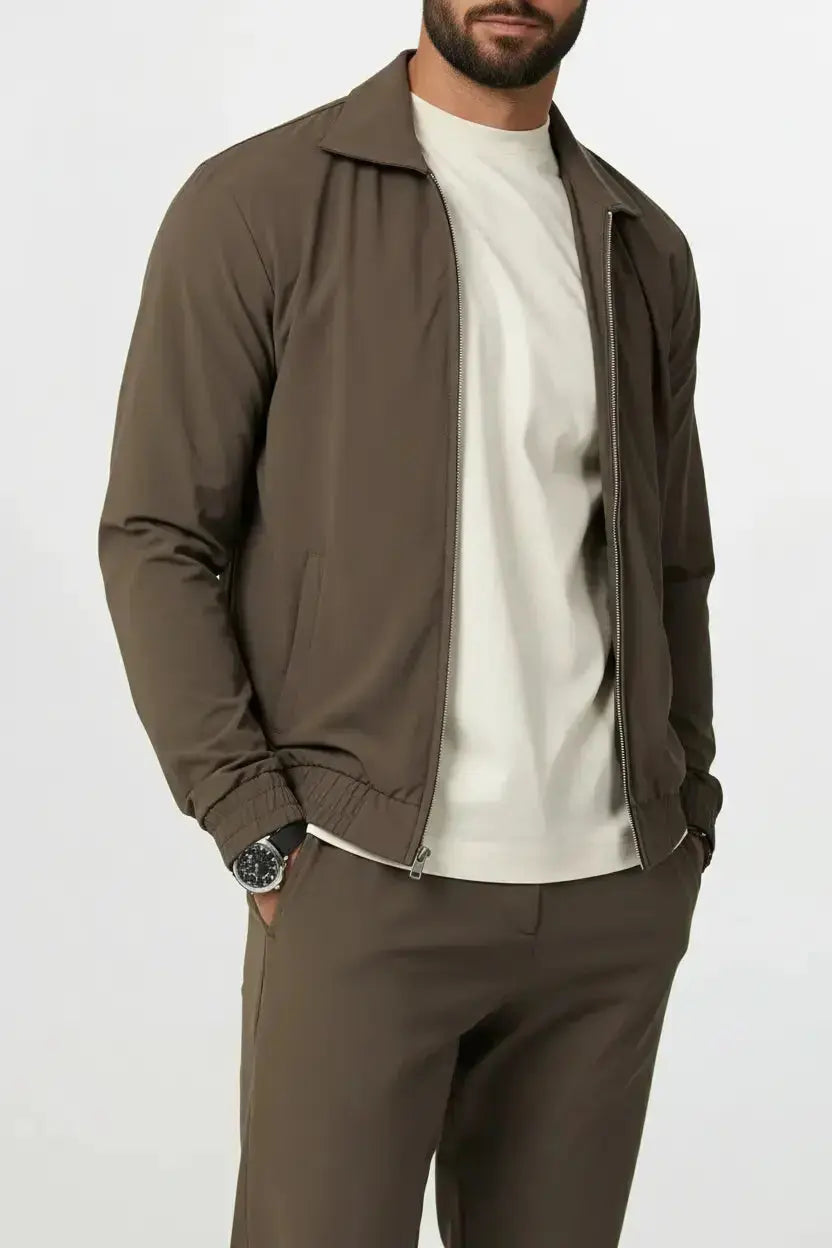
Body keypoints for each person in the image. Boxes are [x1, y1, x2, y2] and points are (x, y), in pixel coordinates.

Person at [98, 3, 724, 1245]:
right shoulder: (260, 205)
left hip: (609, 901)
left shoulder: (638, 243)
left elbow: (671, 562)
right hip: (365, 880)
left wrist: (682, 808)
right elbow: (158, 534)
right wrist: (251, 824)